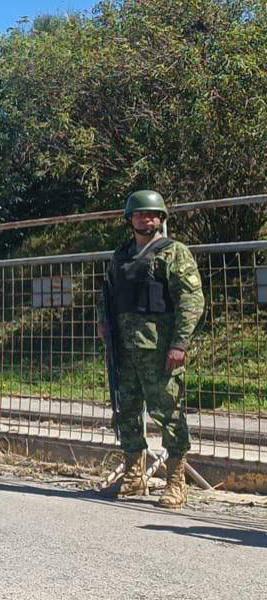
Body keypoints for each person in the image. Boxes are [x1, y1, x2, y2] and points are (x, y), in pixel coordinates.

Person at [98, 190, 204, 509]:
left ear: (161, 219)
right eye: (140, 214)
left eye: (153, 214)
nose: (147, 219)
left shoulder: (174, 253)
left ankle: (175, 482)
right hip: (124, 351)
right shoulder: (121, 256)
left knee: (169, 414)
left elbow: (191, 301)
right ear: (129, 219)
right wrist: (103, 324)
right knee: (126, 412)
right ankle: (134, 476)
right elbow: (107, 295)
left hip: (159, 351)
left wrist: (180, 343)